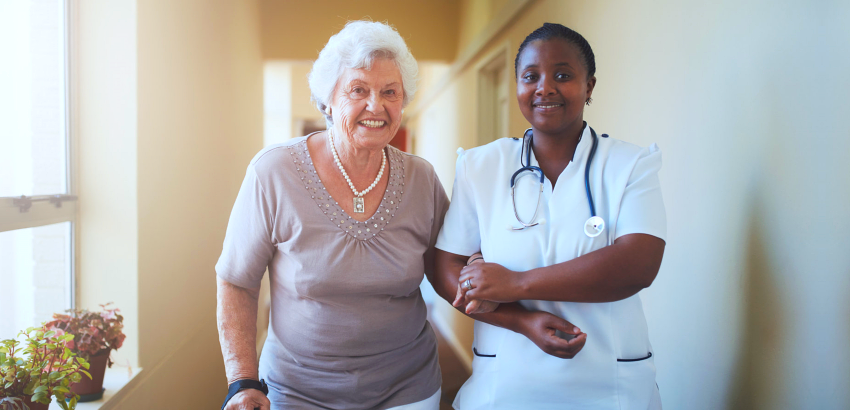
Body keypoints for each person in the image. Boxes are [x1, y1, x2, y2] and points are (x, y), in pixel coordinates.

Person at [214, 21, 448, 410]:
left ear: (403, 102)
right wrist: (241, 380)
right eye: (358, 90)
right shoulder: (274, 172)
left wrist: (510, 292)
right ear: (328, 101)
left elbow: (448, 266)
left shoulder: (421, 178)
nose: (376, 106)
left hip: (408, 386)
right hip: (297, 390)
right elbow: (237, 281)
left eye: (390, 92)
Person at [433, 23, 667, 409]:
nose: (545, 87)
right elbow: (446, 266)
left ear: (589, 86)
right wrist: (521, 321)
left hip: (608, 383)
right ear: (517, 87)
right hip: (507, 384)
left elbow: (637, 265)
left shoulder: (630, 165)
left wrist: (517, 284)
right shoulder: (481, 165)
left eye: (563, 75)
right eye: (531, 77)